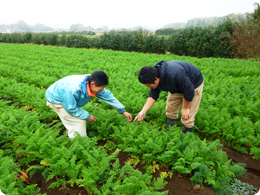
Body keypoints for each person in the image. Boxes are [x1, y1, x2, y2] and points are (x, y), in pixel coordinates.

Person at [45, 71, 132, 138]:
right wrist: (87, 116)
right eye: (100, 88)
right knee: (79, 122)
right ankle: (81, 146)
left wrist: (122, 111)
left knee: (78, 116)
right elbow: (70, 108)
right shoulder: (72, 89)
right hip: (57, 101)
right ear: (92, 84)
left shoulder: (93, 81)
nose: (101, 91)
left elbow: (107, 96)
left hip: (67, 99)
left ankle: (75, 135)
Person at [134, 60, 204, 133]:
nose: (148, 87)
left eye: (148, 85)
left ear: (156, 79)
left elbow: (189, 90)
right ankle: (170, 133)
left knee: (187, 117)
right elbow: (153, 95)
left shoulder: (175, 74)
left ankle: (184, 139)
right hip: (176, 87)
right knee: (170, 111)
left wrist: (185, 108)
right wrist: (143, 111)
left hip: (193, 85)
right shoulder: (153, 76)